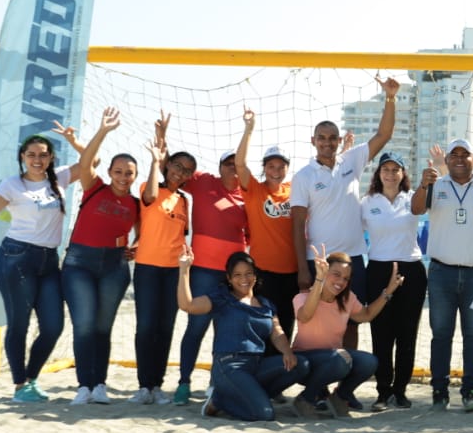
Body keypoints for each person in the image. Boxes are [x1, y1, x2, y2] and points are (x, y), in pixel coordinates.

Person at [0, 127, 82, 402]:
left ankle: (31, 378)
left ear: (51, 158)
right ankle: (19, 386)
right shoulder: (12, 185)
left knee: (53, 326)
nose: (37, 159)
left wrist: (74, 141)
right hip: (17, 258)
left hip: (49, 261)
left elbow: (91, 163)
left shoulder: (60, 178)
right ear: (22, 157)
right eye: (31, 155)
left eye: (43, 155)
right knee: (19, 325)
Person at [290, 75, 400, 358]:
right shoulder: (303, 177)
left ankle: (345, 379)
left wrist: (390, 97)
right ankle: (318, 378)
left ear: (339, 141)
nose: (327, 143)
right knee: (316, 320)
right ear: (313, 141)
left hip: (353, 259)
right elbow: (298, 223)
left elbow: (383, 135)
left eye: (332, 138)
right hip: (320, 264)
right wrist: (303, 268)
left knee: (351, 321)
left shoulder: (351, 161)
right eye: (322, 138)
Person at [411, 137, 473, 412]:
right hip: (441, 273)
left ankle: (470, 392)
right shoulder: (435, 184)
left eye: (464, 154)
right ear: (447, 160)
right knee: (441, 334)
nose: (458, 158)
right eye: (453, 154)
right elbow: (416, 209)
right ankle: (439, 392)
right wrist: (423, 184)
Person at [158, 112, 248, 405]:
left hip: (231, 276)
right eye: (227, 163)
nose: (232, 169)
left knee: (225, 333)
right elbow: (171, 168)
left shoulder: (249, 194)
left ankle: (215, 384)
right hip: (203, 271)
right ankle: (184, 383)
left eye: (237, 164)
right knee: (196, 327)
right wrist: (162, 137)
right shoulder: (203, 182)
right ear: (219, 167)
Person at [176, 248, 312, 422]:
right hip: (229, 366)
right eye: (237, 275)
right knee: (265, 414)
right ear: (229, 278)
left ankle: (248, 396)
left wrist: (287, 352)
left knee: (301, 364)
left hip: (257, 365)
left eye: (248, 274)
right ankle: (220, 400)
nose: (243, 279)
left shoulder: (265, 304)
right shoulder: (222, 298)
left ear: (255, 275)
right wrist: (184, 270)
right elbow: (187, 305)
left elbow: (277, 333)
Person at [62, 107, 140, 405]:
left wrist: (136, 246)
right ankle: (84, 385)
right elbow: (85, 161)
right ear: (109, 173)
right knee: (83, 324)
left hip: (114, 267)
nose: (122, 177)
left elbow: (143, 232)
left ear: (135, 176)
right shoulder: (94, 188)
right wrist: (103, 130)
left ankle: (100, 385)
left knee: (102, 327)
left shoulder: (135, 203)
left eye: (129, 173)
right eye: (118, 172)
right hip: (79, 264)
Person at [290, 247, 399, 418]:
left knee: (369, 361)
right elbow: (306, 315)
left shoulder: (347, 299)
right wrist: (319, 278)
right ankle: (306, 399)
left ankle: (339, 397)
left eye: (346, 278)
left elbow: (366, 315)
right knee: (340, 359)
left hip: (334, 361)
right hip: (305, 363)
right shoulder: (302, 298)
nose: (341, 281)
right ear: (324, 272)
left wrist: (388, 292)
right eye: (336, 274)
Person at [360, 151, 428, 410]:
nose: (390, 174)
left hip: (411, 269)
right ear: (378, 173)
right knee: (381, 334)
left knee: (407, 334)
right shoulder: (367, 202)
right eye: (385, 169)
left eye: (395, 170)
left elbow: (425, 207)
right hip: (378, 269)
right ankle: (382, 391)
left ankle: (400, 390)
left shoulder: (412, 199)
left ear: (403, 174)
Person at [131, 133, 193, 405]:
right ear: (168, 165)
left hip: (173, 271)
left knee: (165, 327)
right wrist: (156, 159)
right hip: (146, 267)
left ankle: (157, 385)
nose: (182, 172)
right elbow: (150, 196)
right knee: (145, 326)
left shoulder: (185, 201)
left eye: (188, 171)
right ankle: (144, 385)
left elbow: (183, 234)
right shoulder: (150, 187)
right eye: (178, 166)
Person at [235, 109, 297, 338]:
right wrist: (249, 129)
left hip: (292, 272)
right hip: (263, 272)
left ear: (287, 169)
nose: (276, 171)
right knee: (263, 325)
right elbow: (240, 164)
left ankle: (283, 370)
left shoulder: (294, 189)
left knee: (286, 325)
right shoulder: (254, 191)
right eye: (271, 166)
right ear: (264, 168)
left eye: (281, 167)